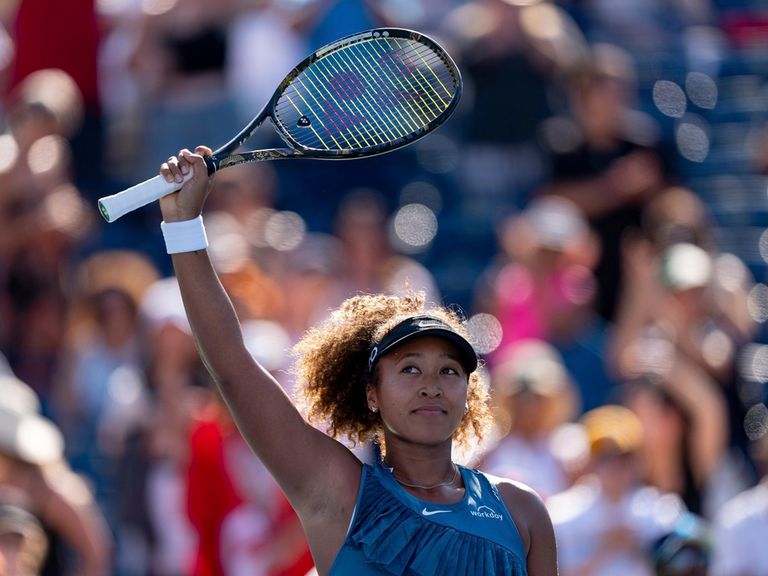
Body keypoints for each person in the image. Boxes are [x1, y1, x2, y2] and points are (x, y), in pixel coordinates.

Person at [156, 146, 558, 575]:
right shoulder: (336, 492)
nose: (431, 383)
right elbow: (232, 366)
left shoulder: (522, 510)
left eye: (449, 370)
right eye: (409, 368)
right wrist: (182, 226)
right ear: (370, 392)